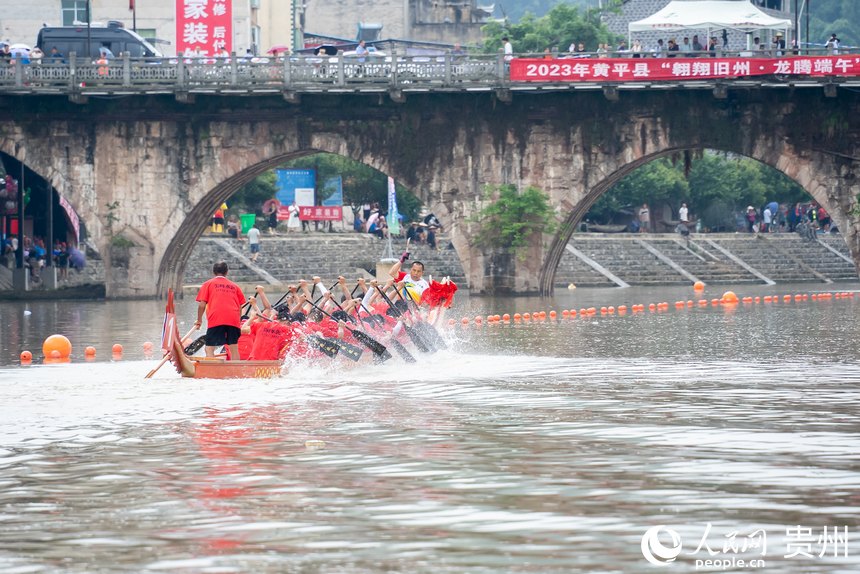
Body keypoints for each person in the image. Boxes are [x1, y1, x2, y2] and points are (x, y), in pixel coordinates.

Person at [195, 261, 246, 360]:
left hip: (216, 319)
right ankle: (236, 370)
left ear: (213, 272)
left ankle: (211, 371)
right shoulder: (235, 286)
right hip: (233, 320)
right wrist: (237, 321)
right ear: (227, 272)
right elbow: (240, 307)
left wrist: (199, 320)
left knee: (209, 348)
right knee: (233, 347)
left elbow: (202, 305)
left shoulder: (208, 284)